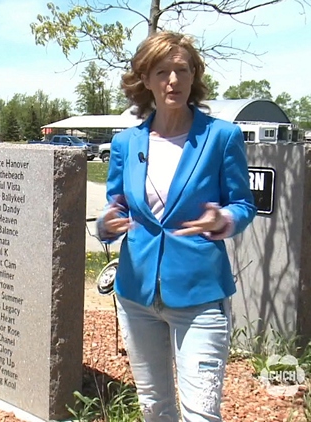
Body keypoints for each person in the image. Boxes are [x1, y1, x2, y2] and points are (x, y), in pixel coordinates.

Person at [96, 31, 256, 421]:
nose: (173, 80)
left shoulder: (222, 137)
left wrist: (225, 219)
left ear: (193, 75)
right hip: (136, 296)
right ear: (145, 79)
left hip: (200, 298)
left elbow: (243, 204)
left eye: (182, 70)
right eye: (162, 71)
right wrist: (104, 225)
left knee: (201, 412)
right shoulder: (126, 143)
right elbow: (114, 204)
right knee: (155, 407)